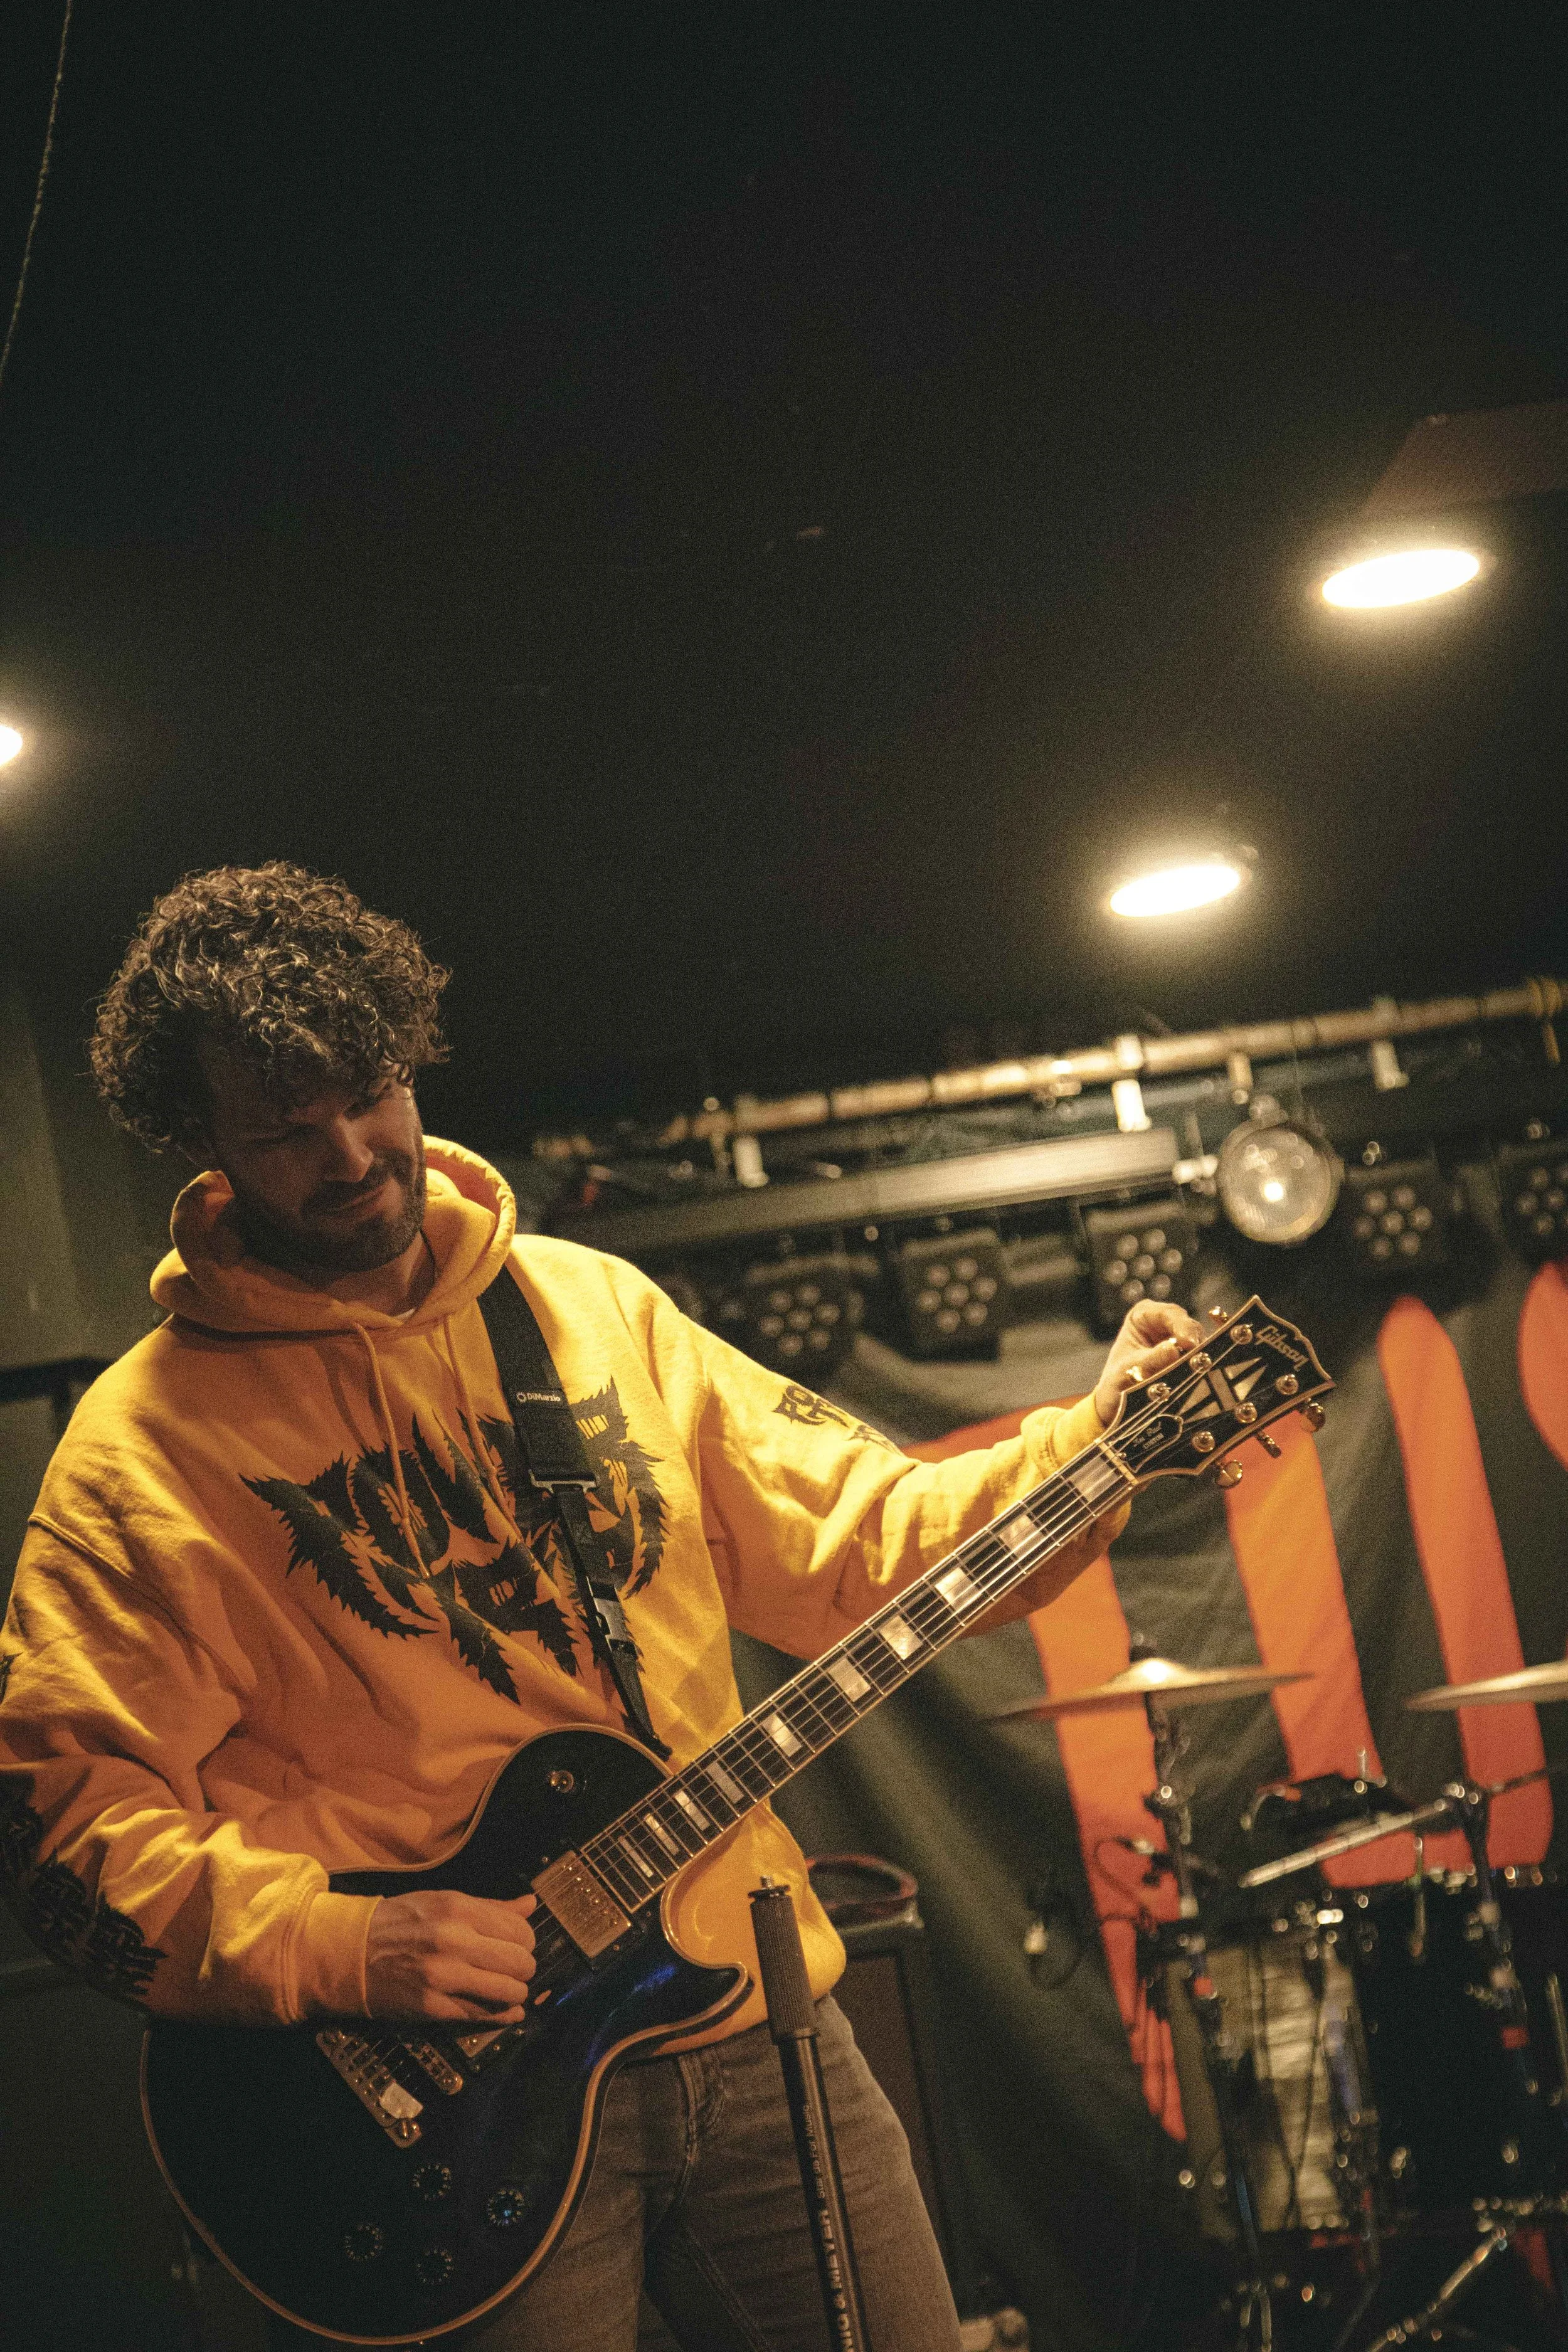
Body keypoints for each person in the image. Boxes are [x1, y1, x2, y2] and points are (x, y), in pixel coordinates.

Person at [0, 863, 1199, 2351]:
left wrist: (1093, 1443)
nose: (354, 1154)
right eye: (283, 1132)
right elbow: (68, 1844)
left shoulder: (590, 1312)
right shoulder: (144, 1453)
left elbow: (868, 1543)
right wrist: (341, 1949)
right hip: (436, 2104)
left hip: (756, 2026)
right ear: (207, 1151)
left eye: (370, 1094)